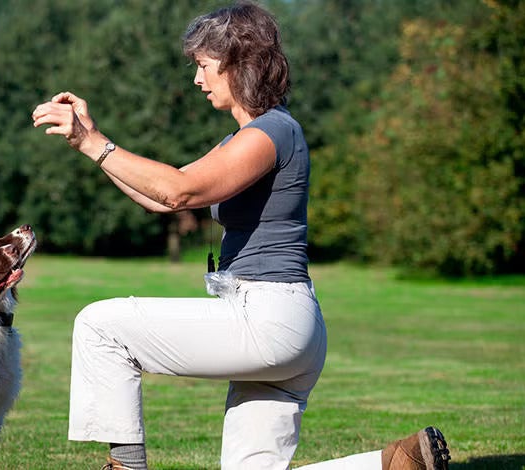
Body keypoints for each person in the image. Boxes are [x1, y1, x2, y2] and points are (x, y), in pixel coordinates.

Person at [31, 2, 452, 470]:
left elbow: (178, 190)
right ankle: (393, 463)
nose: (198, 80)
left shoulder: (270, 133)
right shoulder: (249, 138)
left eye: (204, 65)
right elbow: (160, 198)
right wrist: (89, 140)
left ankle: (125, 465)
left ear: (239, 63)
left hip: (267, 319)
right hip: (285, 324)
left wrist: (94, 143)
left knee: (100, 325)